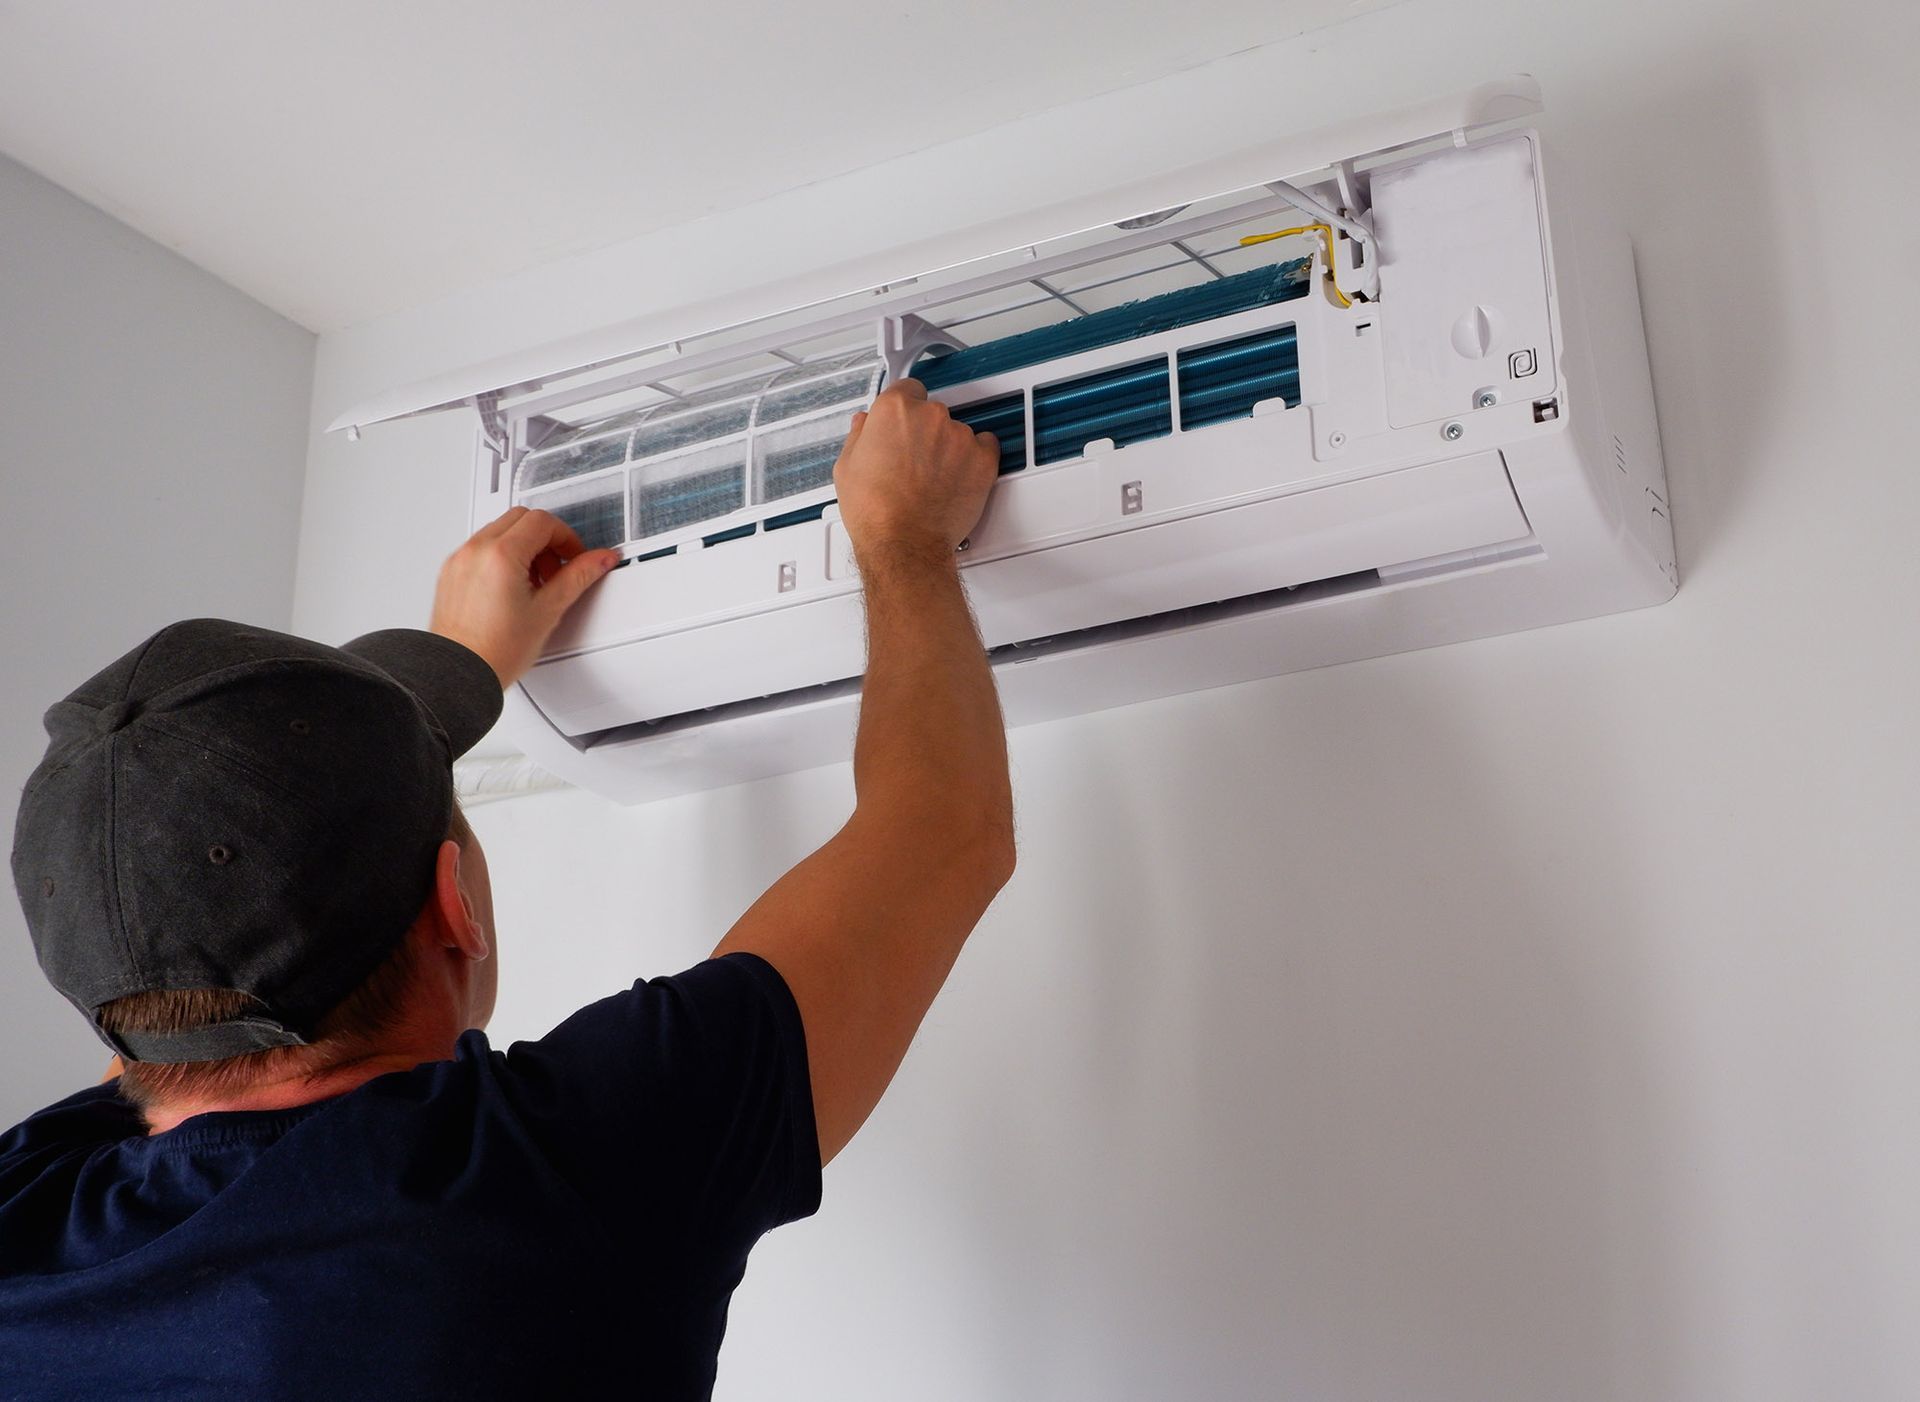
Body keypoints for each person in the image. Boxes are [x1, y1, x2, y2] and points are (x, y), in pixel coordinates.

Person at [0, 381, 1014, 1400]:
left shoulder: (25, 1227)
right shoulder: (561, 1175)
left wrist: (445, 681)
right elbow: (940, 832)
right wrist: (903, 536)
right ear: (456, 905)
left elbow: (183, 1001)